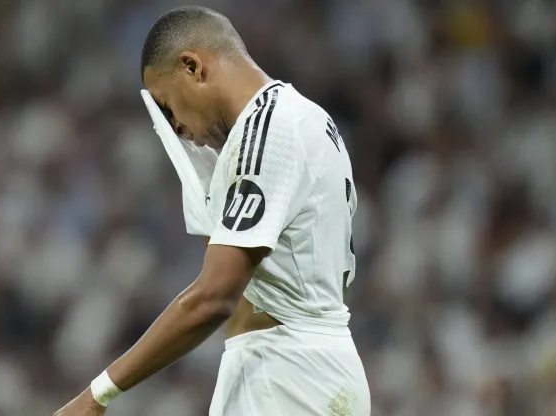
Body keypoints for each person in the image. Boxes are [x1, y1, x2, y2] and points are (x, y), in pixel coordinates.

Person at [54, 5, 370, 416]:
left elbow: (216, 296)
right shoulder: (294, 120)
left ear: (192, 67)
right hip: (286, 369)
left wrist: (97, 395)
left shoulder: (268, 131)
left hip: (292, 376)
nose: (175, 127)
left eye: (168, 107)